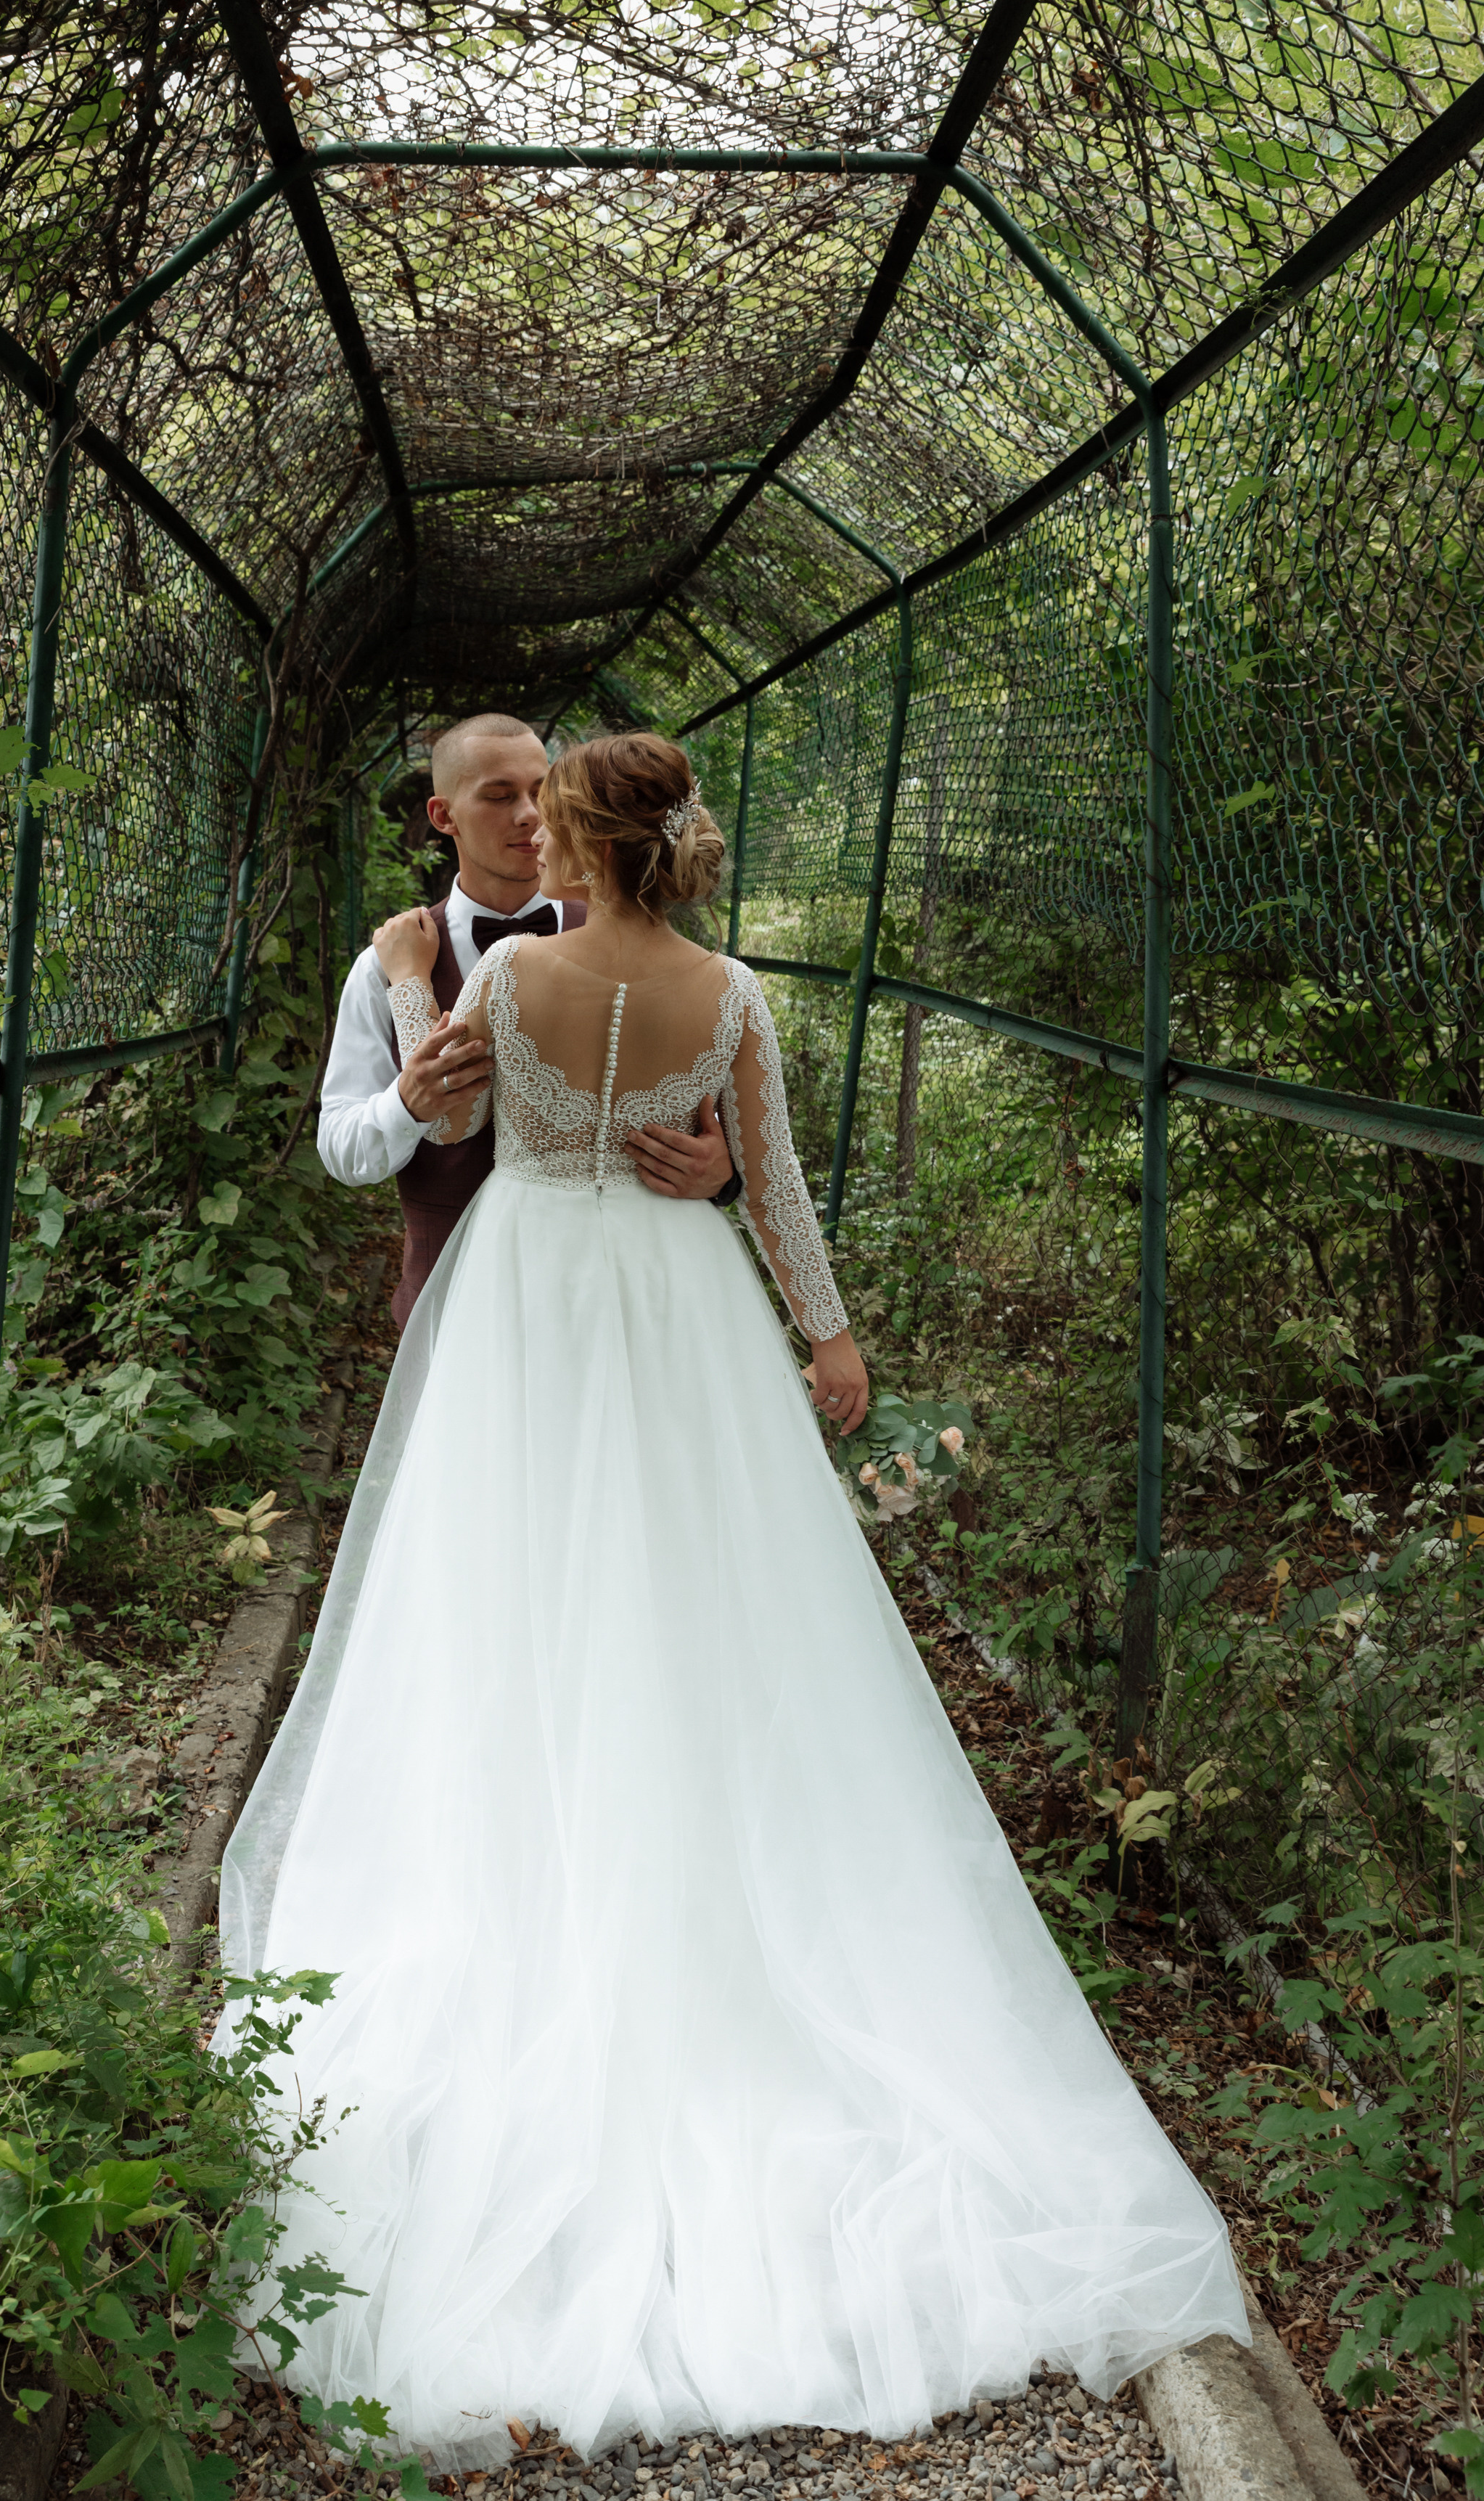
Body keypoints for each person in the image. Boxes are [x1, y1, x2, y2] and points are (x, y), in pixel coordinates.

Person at [220, 732, 1247, 2469]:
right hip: (680, 1304)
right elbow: (771, 1184)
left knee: (508, 1599)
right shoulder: (734, 994)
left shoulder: (506, 978)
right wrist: (828, 1338)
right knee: (705, 1597)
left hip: (529, 1291)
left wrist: (412, 998)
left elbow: (446, 1119)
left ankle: (538, 1854)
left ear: (579, 840)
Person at [318, 712, 737, 1325]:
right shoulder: (386, 966)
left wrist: (725, 1174)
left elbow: (709, 1105)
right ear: (443, 816)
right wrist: (406, 1106)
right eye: (499, 796)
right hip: (453, 1308)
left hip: (620, 1304)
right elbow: (341, 1149)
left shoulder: (644, 943)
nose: (530, 814)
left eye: (543, 791)